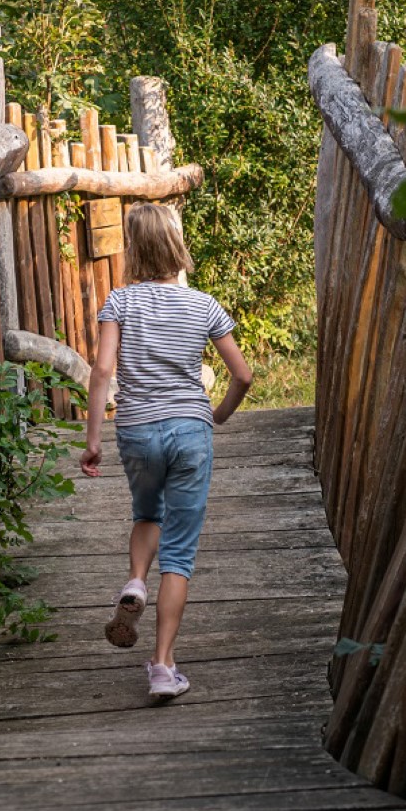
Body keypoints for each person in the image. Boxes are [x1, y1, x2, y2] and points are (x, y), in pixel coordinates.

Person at [80, 203, 253, 702]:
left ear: (133, 249)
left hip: (135, 431)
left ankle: (134, 581)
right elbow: (243, 375)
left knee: (146, 511)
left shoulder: (119, 301)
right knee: (178, 554)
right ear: (177, 249)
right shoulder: (203, 305)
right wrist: (217, 413)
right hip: (189, 431)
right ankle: (162, 666)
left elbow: (102, 370)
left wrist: (93, 440)